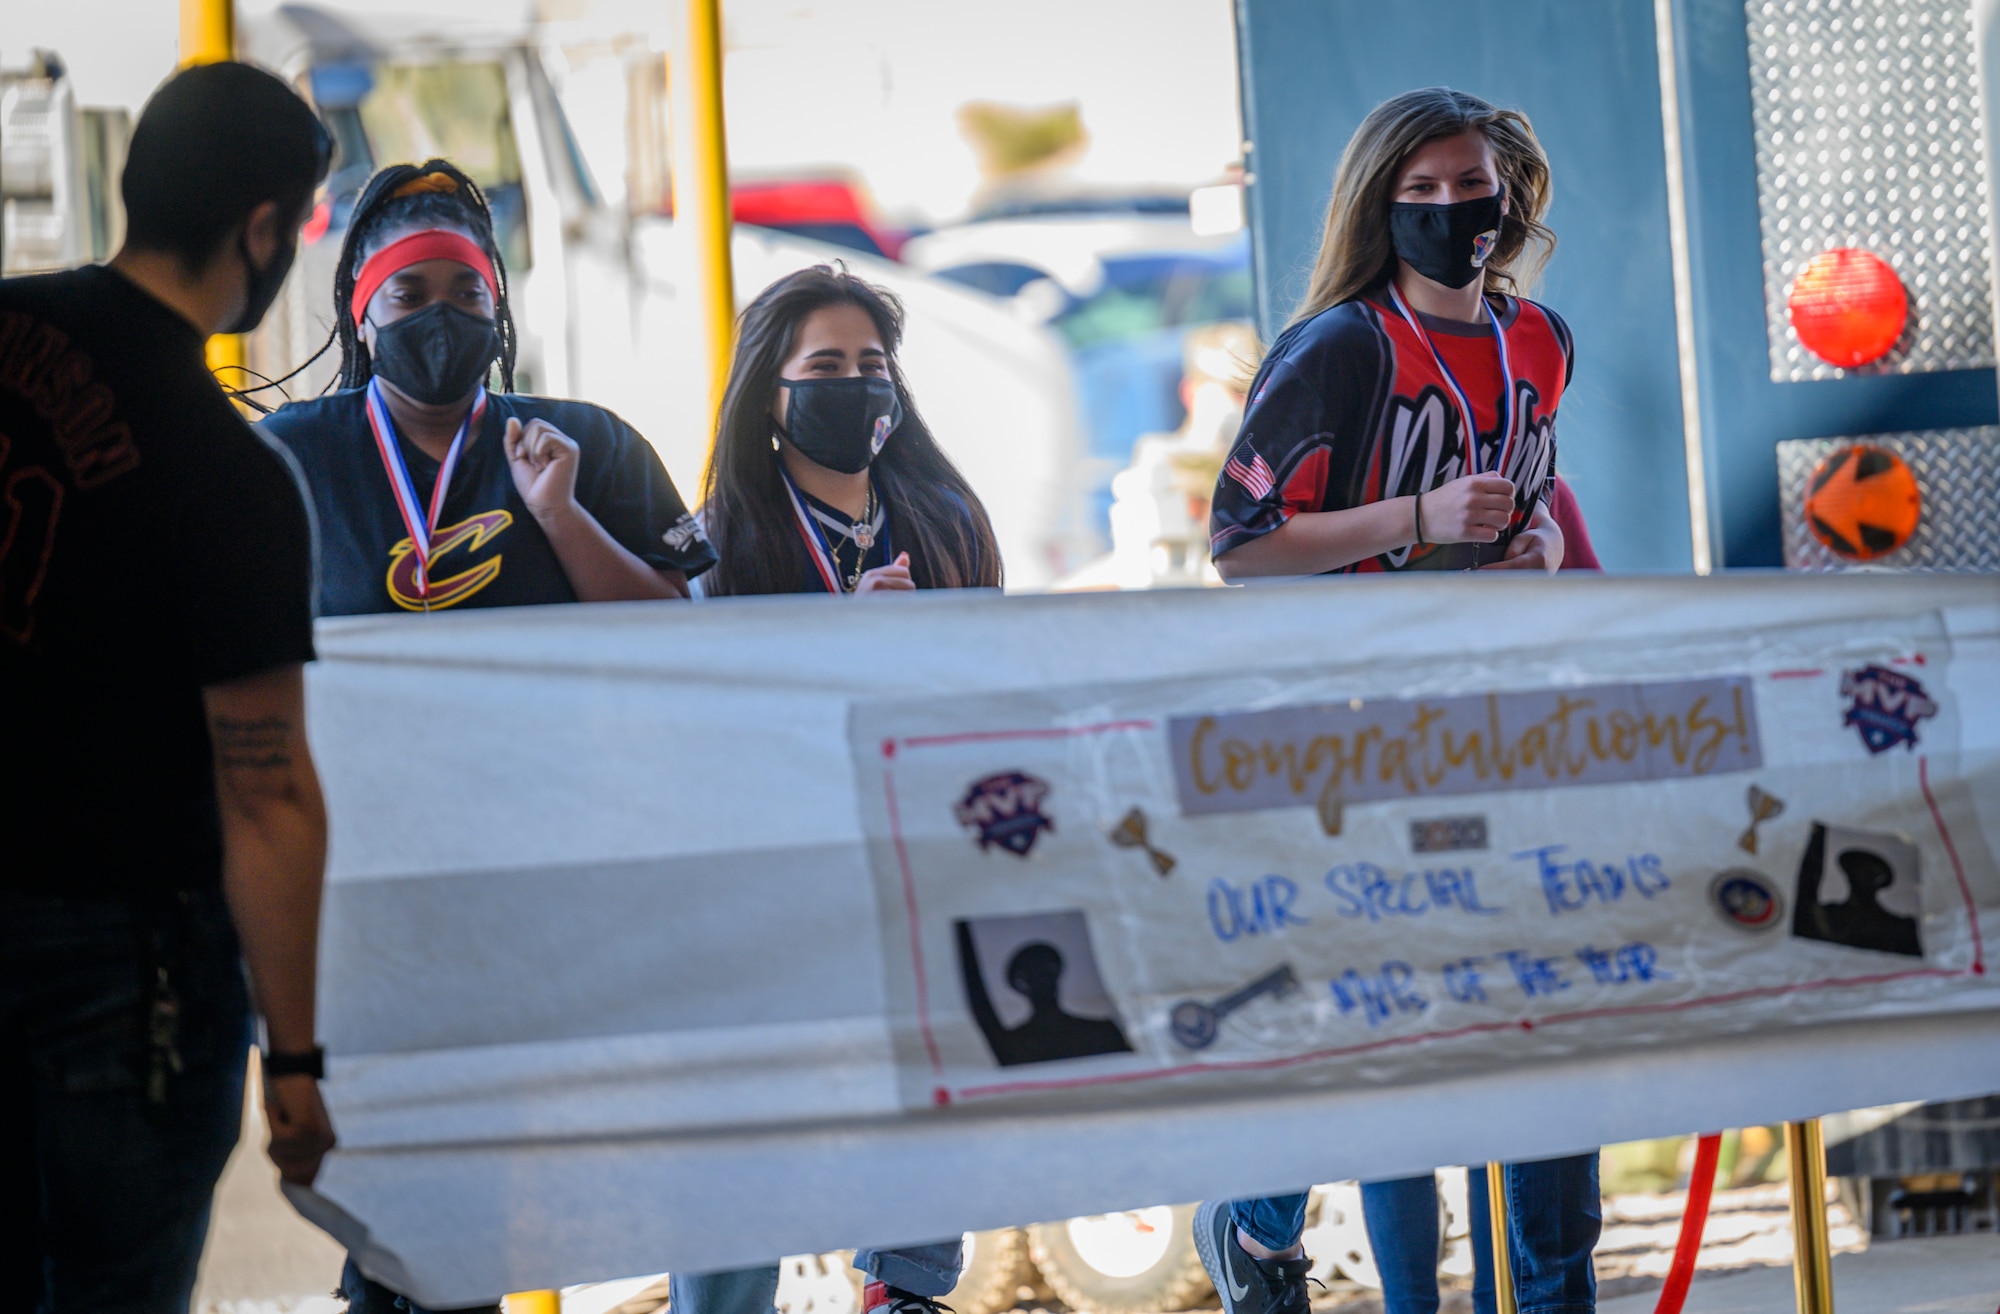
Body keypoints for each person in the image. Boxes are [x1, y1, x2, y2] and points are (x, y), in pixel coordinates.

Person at [1196, 87, 1599, 1314]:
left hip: (1505, 725)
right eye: (1415, 195)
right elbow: (1239, 540)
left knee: (1536, 1021)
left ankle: (1544, 1289)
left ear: (1506, 195)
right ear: (1377, 207)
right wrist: (1413, 521)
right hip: (1359, 732)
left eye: (1465, 188)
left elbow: (1539, 497)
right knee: (1385, 1017)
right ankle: (1257, 1215)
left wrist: (1537, 553)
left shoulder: (1543, 340)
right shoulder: (1335, 350)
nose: (1445, 213)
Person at [0, 62, 336, 1310]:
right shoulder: (229, 476)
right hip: (127, 973)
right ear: (259, 230)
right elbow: (269, 797)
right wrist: (292, 1063)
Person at [676, 265, 1002, 1314]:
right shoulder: (711, 541)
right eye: (824, 366)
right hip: (763, 895)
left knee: (928, 1091)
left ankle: (902, 1289)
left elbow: (1000, 688)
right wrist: (840, 646)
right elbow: (698, 732)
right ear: (767, 391)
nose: (854, 384)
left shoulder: (946, 519)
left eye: (872, 364)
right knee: (746, 1140)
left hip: (915, 870)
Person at [262, 159, 715, 618]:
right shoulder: (293, 453)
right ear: (361, 318)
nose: (440, 316)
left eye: (466, 294)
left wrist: (560, 514)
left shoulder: (592, 441)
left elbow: (672, 625)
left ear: (494, 309)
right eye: (409, 296)